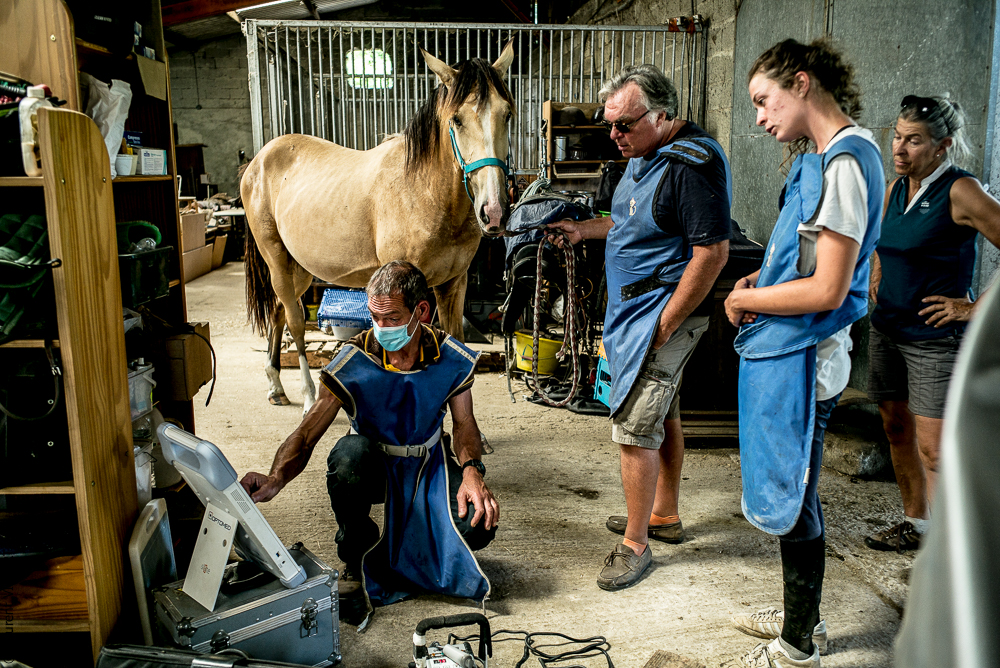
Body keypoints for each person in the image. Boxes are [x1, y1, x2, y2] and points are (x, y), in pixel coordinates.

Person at [724, 38, 884, 667]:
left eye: (765, 101)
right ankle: (804, 614)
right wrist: (760, 284)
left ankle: (797, 645)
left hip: (809, 360)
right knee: (799, 491)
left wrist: (749, 304)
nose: (760, 116)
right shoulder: (825, 156)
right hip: (792, 351)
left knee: (796, 499)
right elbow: (803, 260)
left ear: (801, 82)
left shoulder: (846, 162)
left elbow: (827, 287)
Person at [548, 64, 731, 591]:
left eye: (625, 124)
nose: (614, 136)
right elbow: (631, 220)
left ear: (663, 114)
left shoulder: (692, 166)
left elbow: (711, 253)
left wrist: (664, 325)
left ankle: (635, 545)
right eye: (611, 124)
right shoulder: (643, 154)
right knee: (662, 412)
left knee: (634, 427)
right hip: (636, 315)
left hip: (659, 316)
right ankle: (663, 515)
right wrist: (584, 229)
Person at [240, 260, 498, 625]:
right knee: (348, 456)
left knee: (478, 523)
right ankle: (355, 555)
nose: (381, 329)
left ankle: (423, 543)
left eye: (392, 318)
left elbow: (464, 423)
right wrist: (275, 478)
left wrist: (472, 472)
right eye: (375, 318)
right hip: (372, 461)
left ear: (421, 311)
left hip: (426, 464)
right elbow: (308, 430)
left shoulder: (449, 357)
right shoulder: (354, 357)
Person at [864, 95, 1000, 552]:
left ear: (942, 146)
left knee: (936, 450)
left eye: (913, 141)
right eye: (897, 137)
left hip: (933, 340)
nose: (899, 149)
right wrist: (878, 273)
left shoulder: (961, 190)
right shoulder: (895, 188)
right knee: (895, 430)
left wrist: (971, 308)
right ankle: (917, 527)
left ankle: (950, 553)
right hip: (887, 329)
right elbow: (885, 242)